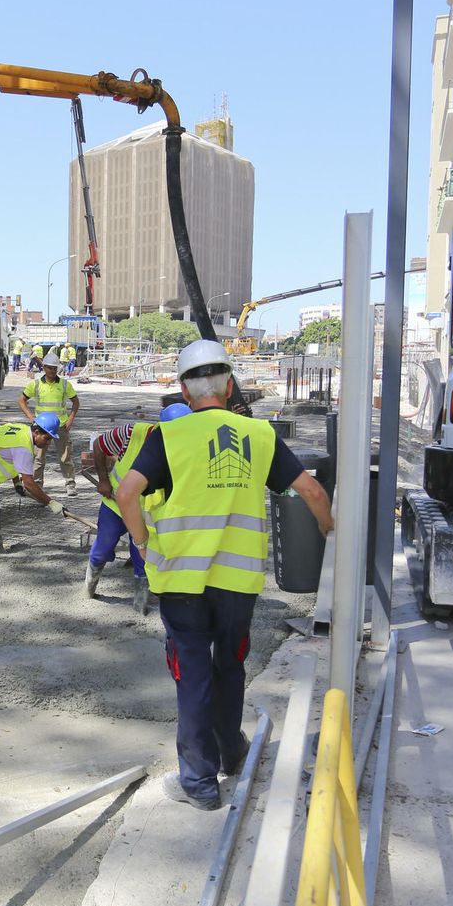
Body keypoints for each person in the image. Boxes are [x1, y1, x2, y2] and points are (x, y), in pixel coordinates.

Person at [116, 340, 333, 811]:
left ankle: (198, 782)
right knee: (230, 665)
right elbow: (312, 491)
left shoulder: (166, 438)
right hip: (238, 583)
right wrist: (330, 532)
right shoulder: (260, 435)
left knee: (192, 675)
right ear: (229, 384)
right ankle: (231, 751)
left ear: (183, 390)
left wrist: (140, 540)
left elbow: (126, 492)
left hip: (183, 584)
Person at [86, 403, 191, 615]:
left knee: (143, 557)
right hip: (115, 507)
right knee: (103, 548)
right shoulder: (132, 433)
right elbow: (99, 445)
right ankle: (90, 582)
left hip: (145, 514)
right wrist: (103, 480)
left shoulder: (187, 448)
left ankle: (140, 602)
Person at [0, 412, 65, 558]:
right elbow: (29, 483)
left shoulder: (21, 430)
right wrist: (50, 502)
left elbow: (9, 455)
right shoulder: (24, 449)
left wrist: (16, 482)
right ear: (36, 432)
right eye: (47, 438)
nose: (48, 443)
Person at [18, 349, 80, 493]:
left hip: (61, 426)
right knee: (39, 458)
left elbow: (76, 402)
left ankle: (70, 484)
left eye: (54, 368)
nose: (52, 371)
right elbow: (22, 401)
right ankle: (38, 485)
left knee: (65, 457)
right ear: (44, 367)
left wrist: (70, 419)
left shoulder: (64, 385)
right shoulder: (36, 384)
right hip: (42, 428)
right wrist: (31, 418)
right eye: (49, 368)